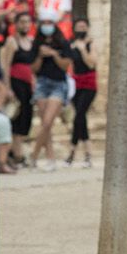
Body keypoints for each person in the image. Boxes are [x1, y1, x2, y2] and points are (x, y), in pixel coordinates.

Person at [26, 16, 72, 171]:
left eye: (49, 23)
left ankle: (33, 156)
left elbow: (65, 66)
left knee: (47, 122)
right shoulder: (36, 44)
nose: (46, 26)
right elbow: (33, 69)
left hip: (58, 84)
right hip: (42, 84)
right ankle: (50, 158)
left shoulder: (63, 43)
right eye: (44, 23)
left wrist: (53, 54)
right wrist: (40, 55)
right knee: (47, 125)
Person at [0, 11, 38, 166]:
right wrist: (7, 87)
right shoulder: (11, 41)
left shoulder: (31, 41)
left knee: (26, 118)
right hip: (16, 83)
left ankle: (18, 151)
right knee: (17, 117)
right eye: (22, 22)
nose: (25, 25)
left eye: (28, 22)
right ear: (16, 24)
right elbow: (6, 65)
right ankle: (17, 154)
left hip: (28, 84)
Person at [65, 18, 98, 168]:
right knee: (80, 117)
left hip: (89, 84)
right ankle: (85, 153)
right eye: (78, 26)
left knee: (79, 115)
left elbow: (91, 63)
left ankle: (74, 152)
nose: (81, 28)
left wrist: (83, 48)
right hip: (75, 84)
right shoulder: (71, 44)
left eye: (83, 26)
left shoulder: (91, 44)